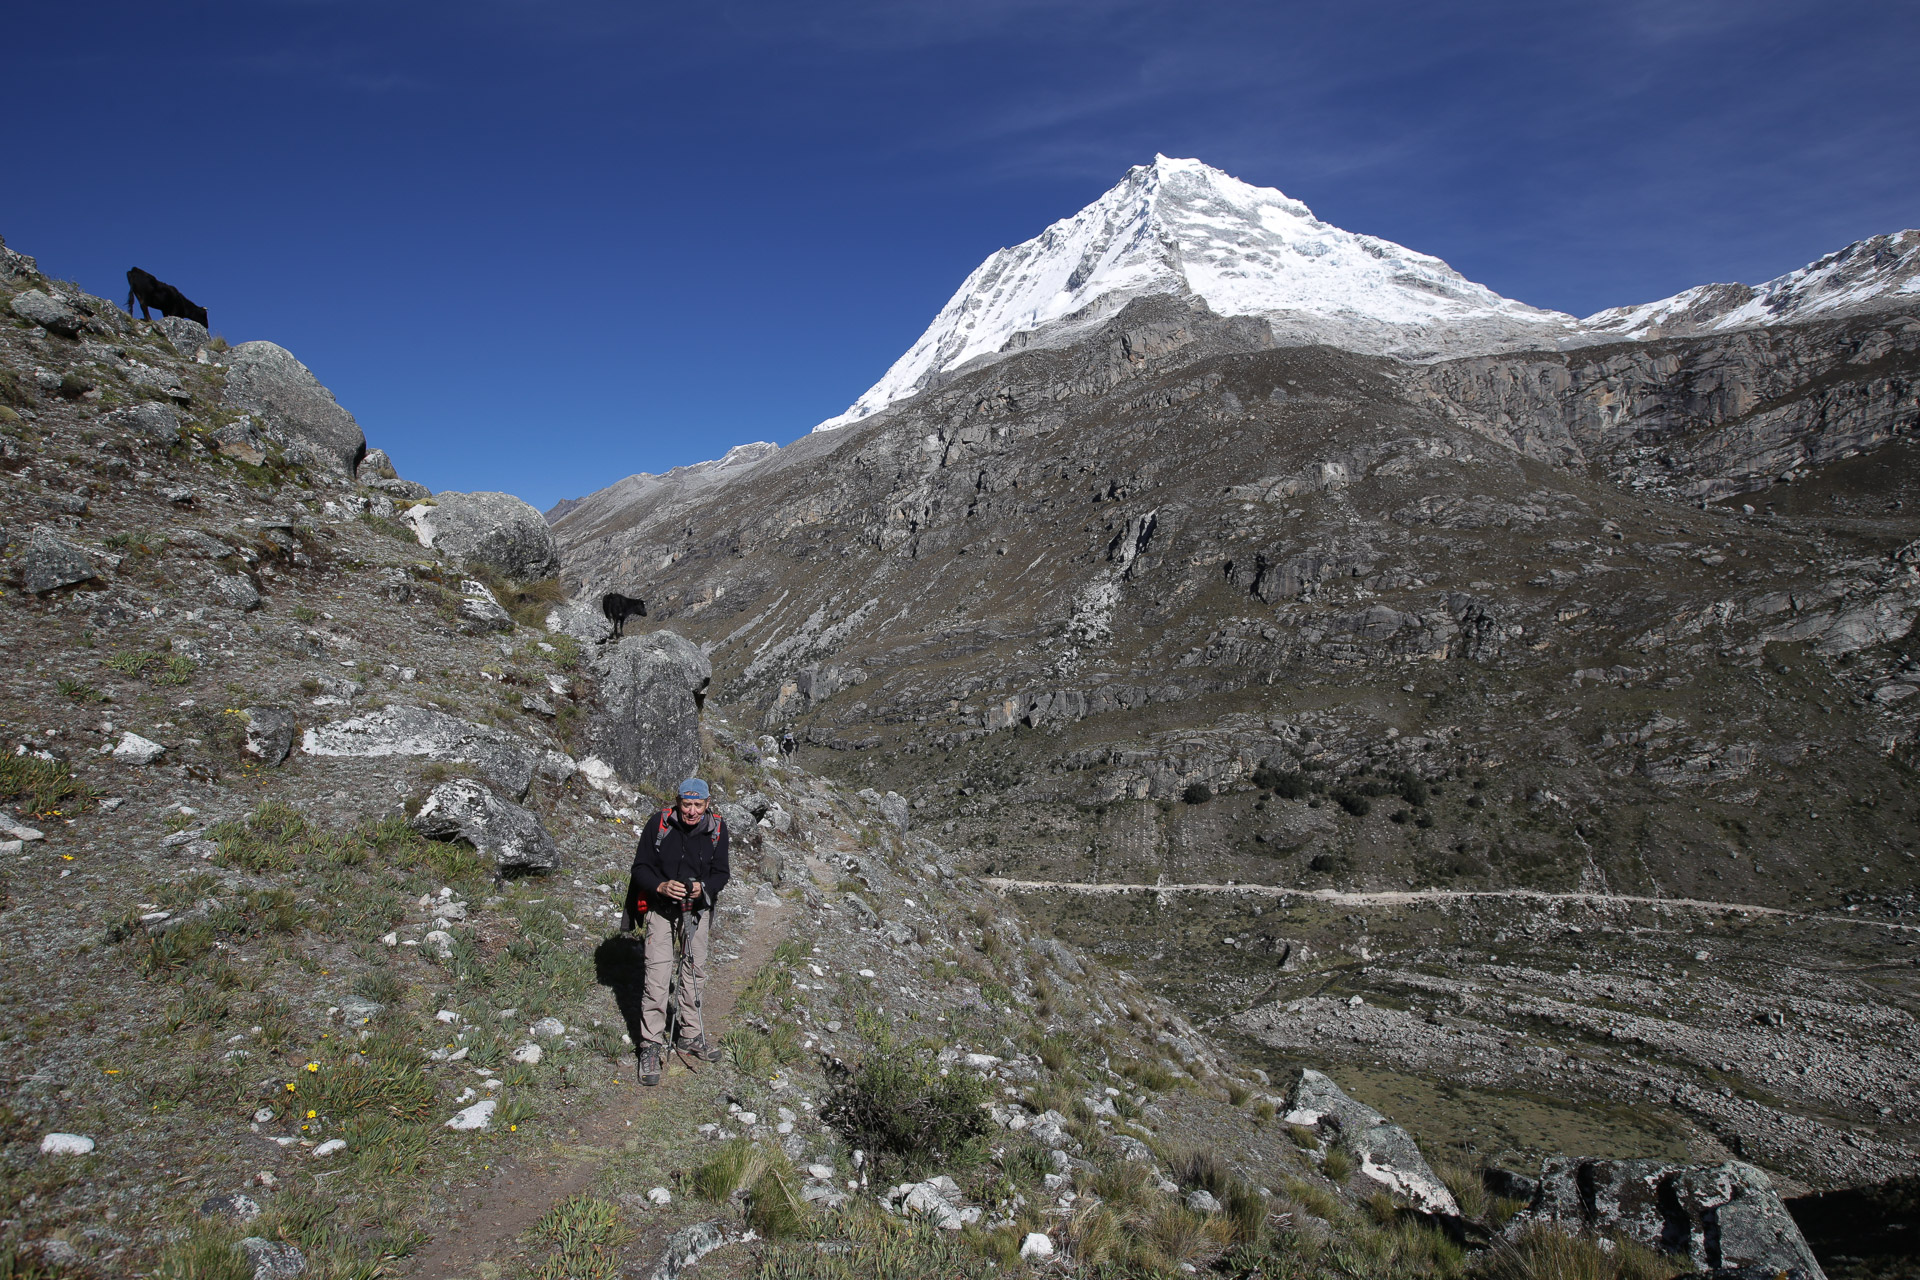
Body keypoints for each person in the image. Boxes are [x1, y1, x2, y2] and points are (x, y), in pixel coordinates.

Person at [625, 778, 730, 1085]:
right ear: (678, 802)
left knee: (695, 972)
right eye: (687, 804)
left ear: (708, 804)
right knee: (657, 976)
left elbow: (722, 873)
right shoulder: (659, 823)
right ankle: (650, 1045)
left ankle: (691, 1036)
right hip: (661, 908)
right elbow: (640, 867)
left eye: (699, 805)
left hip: (697, 909)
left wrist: (704, 888)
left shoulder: (717, 829)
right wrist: (660, 885)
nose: (692, 811)